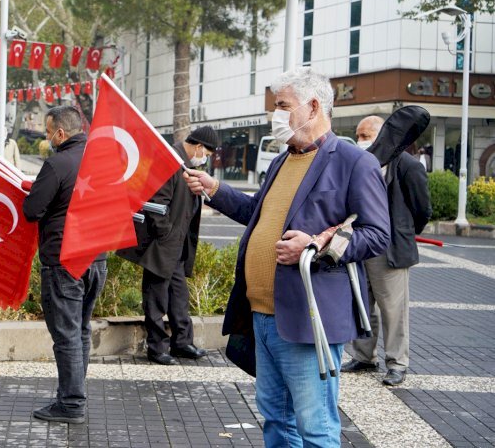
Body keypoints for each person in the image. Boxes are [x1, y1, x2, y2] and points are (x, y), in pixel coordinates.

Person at [184, 67, 390, 448]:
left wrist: (315, 246)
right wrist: (215, 189)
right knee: (277, 419)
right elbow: (256, 213)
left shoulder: (351, 162)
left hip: (306, 320)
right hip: (262, 315)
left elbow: (377, 235)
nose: (274, 115)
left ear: (312, 107)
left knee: (315, 426)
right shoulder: (282, 160)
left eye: (282, 106)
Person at [22, 106, 107, 424]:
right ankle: (74, 394)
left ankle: (71, 404)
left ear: (60, 133)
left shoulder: (56, 165)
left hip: (65, 261)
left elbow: (32, 211)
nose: (46, 138)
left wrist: (31, 193)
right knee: (81, 331)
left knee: (67, 335)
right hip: (96, 258)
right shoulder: (101, 160)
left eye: (47, 132)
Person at [342, 116, 432, 386]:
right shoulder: (359, 165)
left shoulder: (407, 165)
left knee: (393, 309)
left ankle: (397, 363)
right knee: (362, 303)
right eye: (358, 135)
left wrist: (404, 232)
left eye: (365, 134)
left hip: (390, 249)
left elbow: (422, 210)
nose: (360, 140)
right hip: (361, 244)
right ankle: (363, 356)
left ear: (383, 135)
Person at [117, 126, 218, 365]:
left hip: (177, 247)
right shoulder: (170, 161)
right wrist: (166, 234)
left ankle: (182, 343)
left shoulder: (188, 166)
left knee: (179, 297)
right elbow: (156, 205)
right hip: (161, 246)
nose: (205, 160)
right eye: (207, 154)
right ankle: (157, 348)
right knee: (156, 298)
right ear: (199, 147)